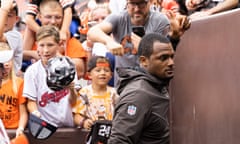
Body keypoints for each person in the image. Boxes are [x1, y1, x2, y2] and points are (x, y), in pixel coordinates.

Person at [87, 0, 188, 85]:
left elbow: (163, 55)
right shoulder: (119, 18)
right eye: (132, 4)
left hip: (151, 82)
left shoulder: (159, 20)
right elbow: (93, 32)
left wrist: (144, 45)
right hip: (125, 83)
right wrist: (109, 41)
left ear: (149, 3)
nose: (136, 9)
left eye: (141, 4)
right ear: (127, 3)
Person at [108, 33, 174, 143]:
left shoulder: (156, 85)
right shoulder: (138, 95)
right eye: (163, 58)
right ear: (144, 61)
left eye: (172, 56)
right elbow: (119, 141)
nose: (171, 63)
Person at [23, 25, 78, 127]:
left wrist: (72, 90)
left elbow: (74, 102)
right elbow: (31, 101)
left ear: (58, 45)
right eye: (42, 45)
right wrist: (35, 113)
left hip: (67, 125)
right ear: (36, 45)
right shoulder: (32, 71)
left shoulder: (68, 65)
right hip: (45, 127)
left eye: (50, 45)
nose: (46, 50)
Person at [23, 0, 86, 79]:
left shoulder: (71, 41)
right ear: (39, 17)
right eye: (48, 17)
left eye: (58, 17)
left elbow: (80, 72)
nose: (53, 21)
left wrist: (63, 31)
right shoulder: (32, 32)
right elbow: (28, 19)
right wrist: (34, 53)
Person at [73, 56, 119, 129]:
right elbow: (76, 115)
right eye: (98, 70)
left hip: (111, 133)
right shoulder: (84, 93)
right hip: (90, 133)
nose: (103, 73)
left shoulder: (115, 93)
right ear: (89, 75)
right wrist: (83, 122)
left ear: (111, 75)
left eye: (106, 70)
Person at [0, 43, 28, 138]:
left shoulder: (19, 83)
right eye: (3, 61)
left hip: (14, 131)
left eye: (9, 59)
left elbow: (23, 113)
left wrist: (21, 128)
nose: (7, 63)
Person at [0, 0, 23, 76]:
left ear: (16, 19)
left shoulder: (15, 35)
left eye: (9, 16)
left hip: (11, 82)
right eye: (2, 15)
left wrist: (4, 10)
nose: (4, 19)